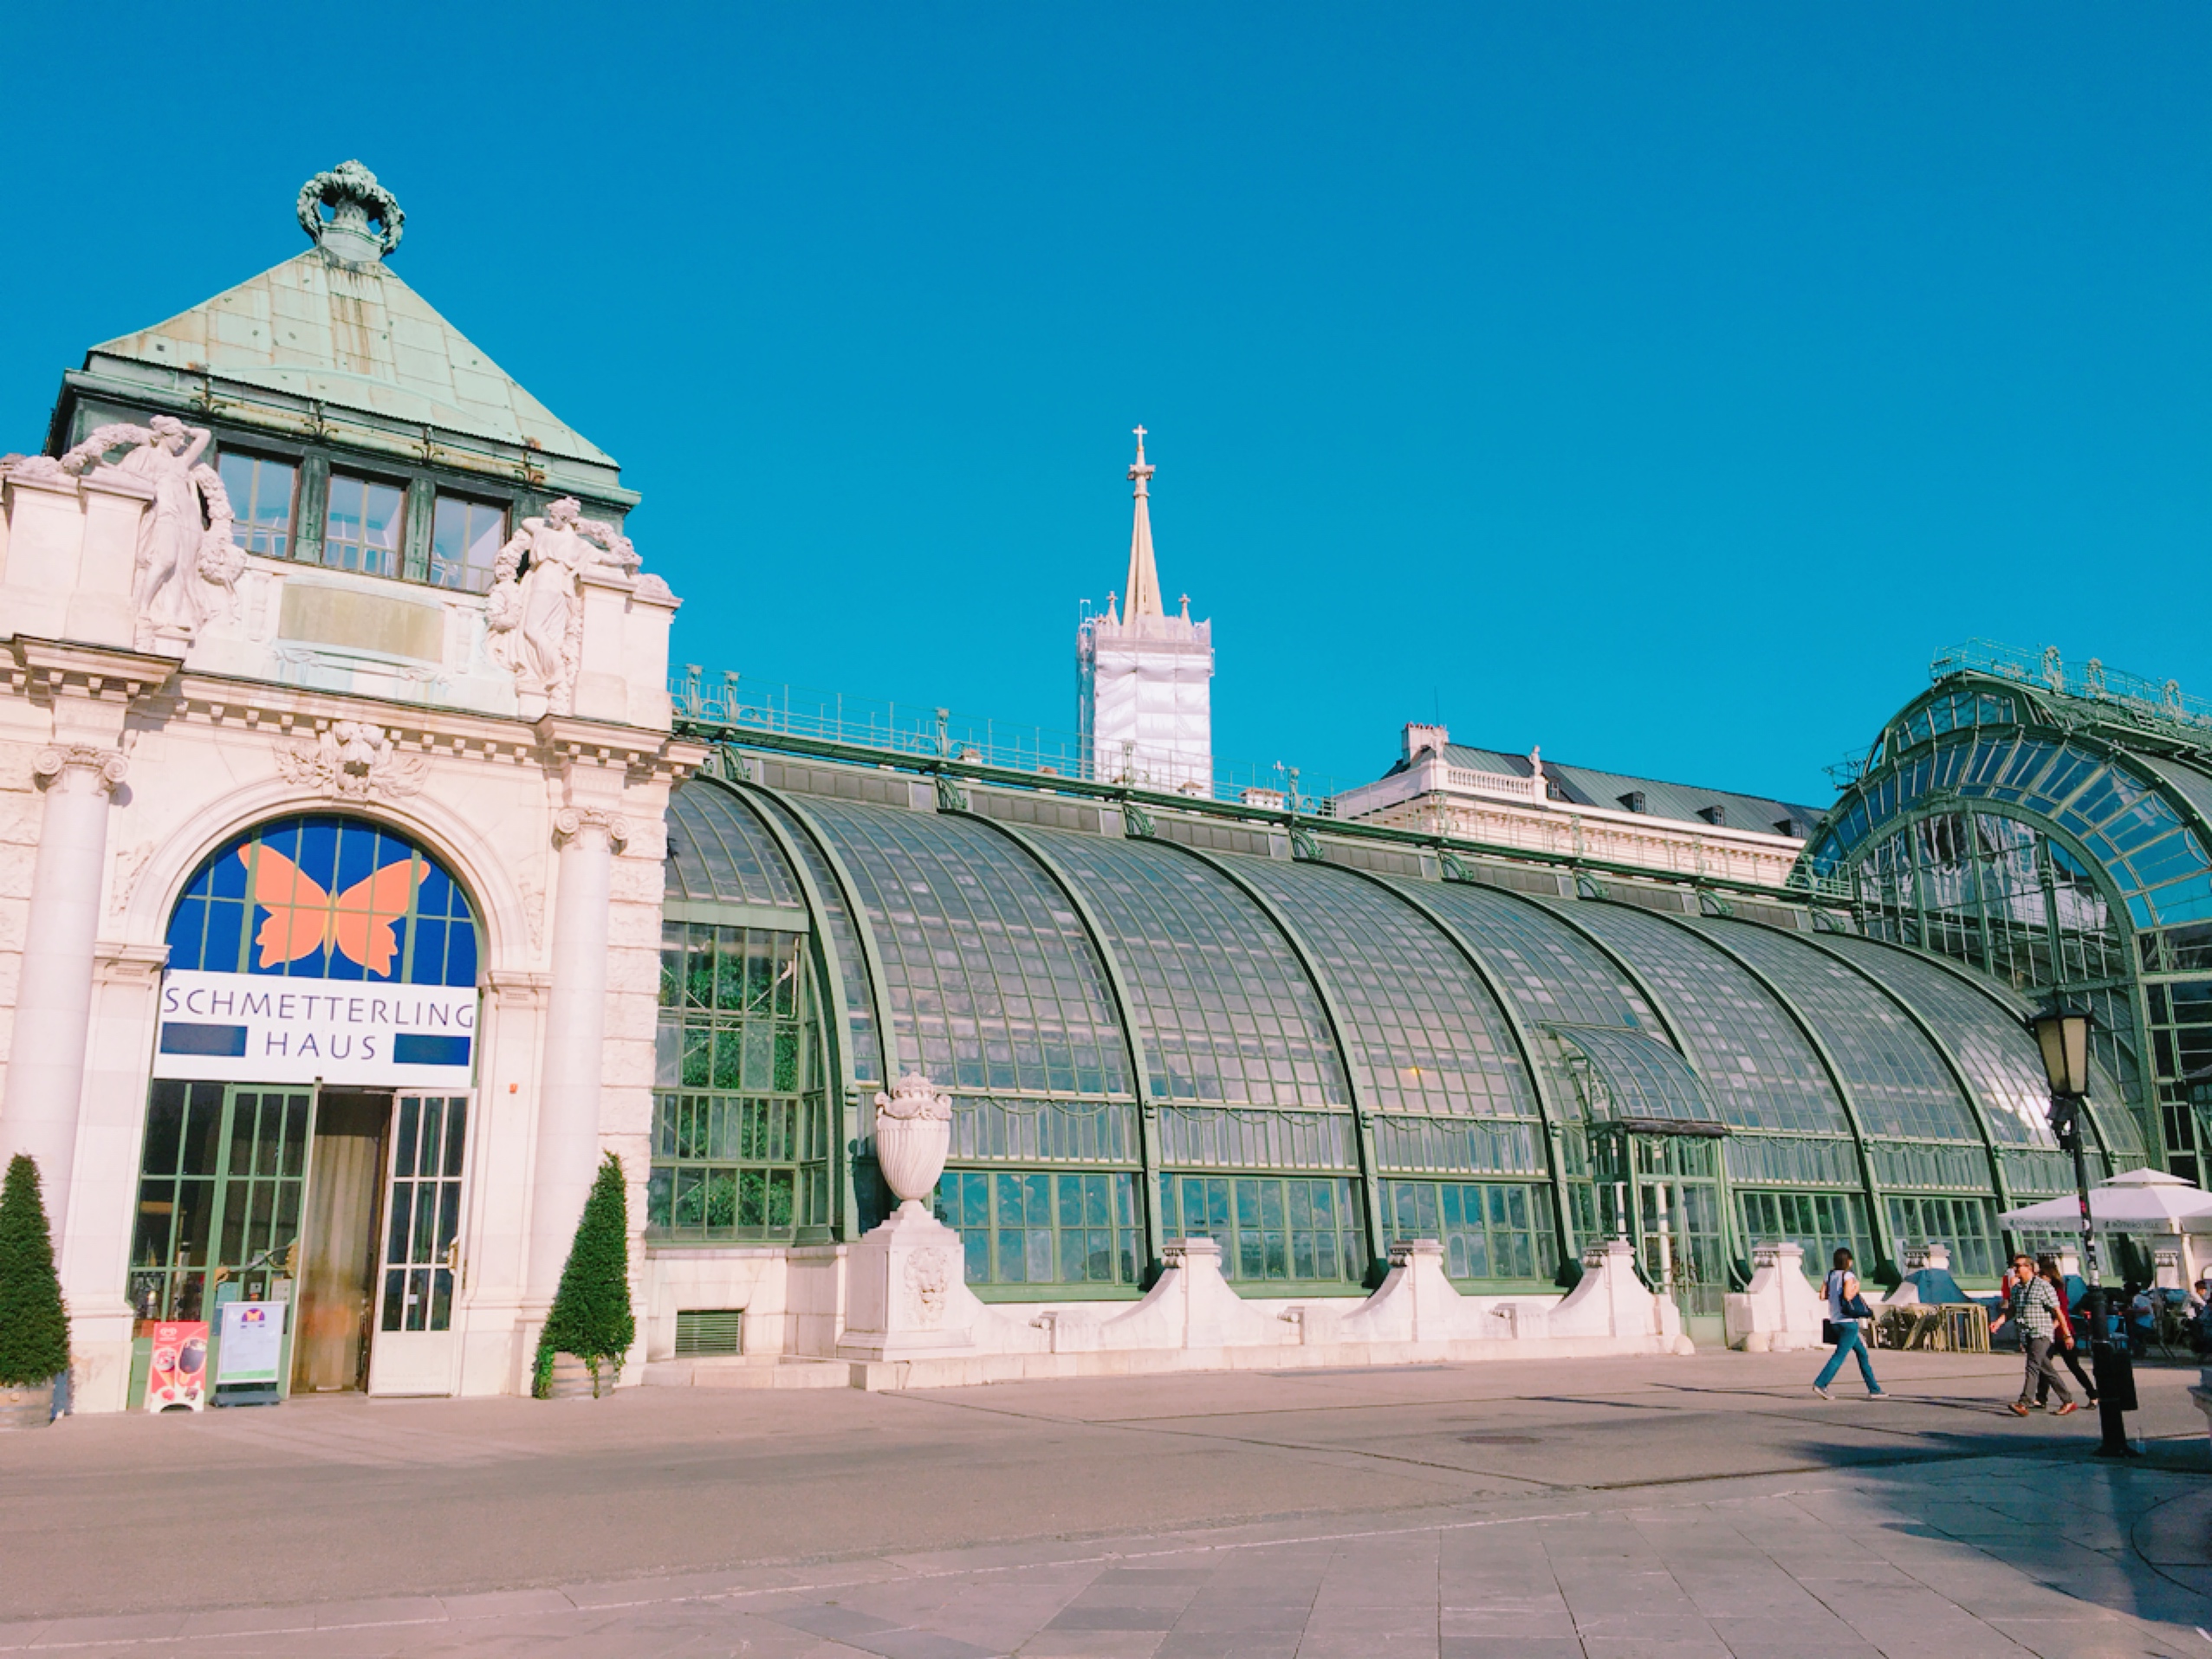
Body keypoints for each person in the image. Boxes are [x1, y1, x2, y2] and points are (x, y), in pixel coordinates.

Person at [1992, 1252, 2078, 1417]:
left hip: (2042, 1332)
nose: (2014, 1269)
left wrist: (2067, 1334)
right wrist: (1999, 1322)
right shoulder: (2017, 1289)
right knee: (2046, 1368)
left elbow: (2058, 1311)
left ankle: (2024, 1402)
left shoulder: (2043, 1287)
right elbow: (2012, 1310)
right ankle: (2068, 1400)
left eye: (2018, 1266)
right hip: (2027, 1333)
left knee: (2032, 1364)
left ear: (2029, 1268)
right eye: (2014, 1266)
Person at [1813, 1247, 1888, 1400]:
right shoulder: (1848, 1275)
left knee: (1862, 1354)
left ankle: (1874, 1388)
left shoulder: (1830, 1275)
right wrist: (1856, 1287)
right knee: (1840, 1355)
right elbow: (1848, 1296)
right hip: (1848, 1322)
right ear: (1848, 1261)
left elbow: (1822, 1295)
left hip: (1835, 1320)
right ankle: (1821, 1383)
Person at [2032, 1255, 2096, 1410]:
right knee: (2044, 1364)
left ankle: (2094, 1395)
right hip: (2051, 1335)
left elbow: (2061, 1316)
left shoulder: (2057, 1292)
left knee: (2073, 1366)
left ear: (2047, 1277)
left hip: (2063, 1334)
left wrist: (2054, 1330)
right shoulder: (2043, 1291)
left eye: (2039, 1276)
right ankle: (2041, 1398)